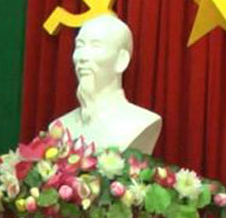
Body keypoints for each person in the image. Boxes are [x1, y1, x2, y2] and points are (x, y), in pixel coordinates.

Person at [50, 13, 162, 154]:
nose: (82, 57)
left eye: (96, 46)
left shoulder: (142, 122)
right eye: (79, 46)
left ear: (121, 60)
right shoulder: (60, 127)